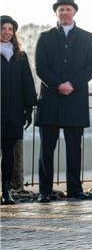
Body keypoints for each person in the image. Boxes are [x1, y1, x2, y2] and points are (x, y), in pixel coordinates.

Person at [35, 0, 92, 202]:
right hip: (50, 100)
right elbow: (40, 67)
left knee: (74, 148)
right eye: (60, 10)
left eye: (67, 9)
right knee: (46, 149)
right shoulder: (44, 37)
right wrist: (57, 85)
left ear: (74, 12)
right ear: (56, 13)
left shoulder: (87, 37)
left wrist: (72, 84)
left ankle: (75, 189)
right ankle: (44, 191)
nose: (64, 13)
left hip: (75, 98)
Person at [1, 15, 36, 205]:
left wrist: (28, 109)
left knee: (8, 154)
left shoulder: (20, 56)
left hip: (13, 112)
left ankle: (5, 191)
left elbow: (27, 84)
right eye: (2, 28)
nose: (6, 32)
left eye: (10, 29)